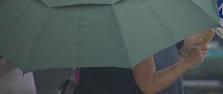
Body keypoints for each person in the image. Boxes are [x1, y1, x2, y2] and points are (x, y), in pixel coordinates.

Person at [77, 30, 210, 94]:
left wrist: (215, 22)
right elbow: (149, 85)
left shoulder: (153, 16)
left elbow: (184, 47)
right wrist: (187, 62)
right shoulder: (131, 24)